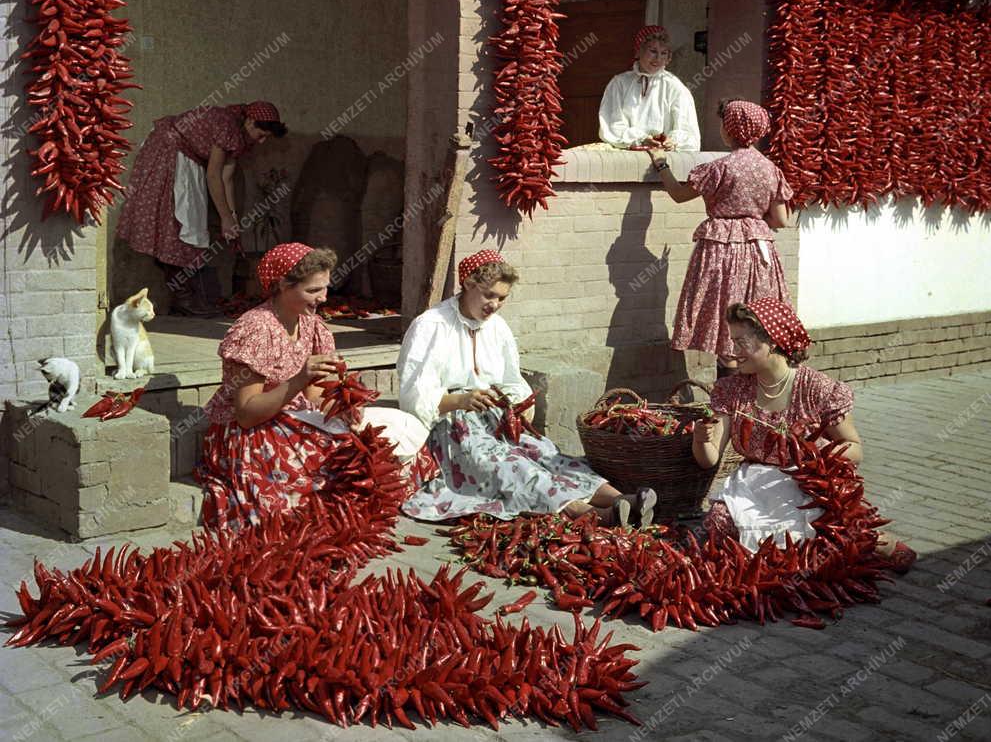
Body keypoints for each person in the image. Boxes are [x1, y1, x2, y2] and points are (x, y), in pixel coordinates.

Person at [398, 249, 657, 525]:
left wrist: (520, 404)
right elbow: (414, 395)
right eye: (489, 295)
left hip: (497, 418)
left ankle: (621, 499)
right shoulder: (431, 325)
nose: (495, 305)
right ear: (468, 284)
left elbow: (511, 380)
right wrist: (460, 400)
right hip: (454, 428)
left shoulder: (497, 328)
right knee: (513, 466)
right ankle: (593, 515)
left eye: (502, 298)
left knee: (546, 453)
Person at [195, 242, 427, 530]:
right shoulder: (254, 329)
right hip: (253, 431)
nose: (323, 297)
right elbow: (246, 414)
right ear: (282, 285)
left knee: (371, 444)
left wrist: (342, 409)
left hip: (294, 416)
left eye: (326, 287)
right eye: (313, 290)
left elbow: (315, 395)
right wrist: (299, 379)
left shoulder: (312, 325)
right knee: (316, 470)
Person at [692, 299, 916, 572]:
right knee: (718, 522)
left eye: (742, 343)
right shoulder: (732, 390)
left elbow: (854, 447)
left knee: (822, 538)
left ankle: (877, 541)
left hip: (807, 485)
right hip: (753, 485)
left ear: (771, 342)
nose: (733, 351)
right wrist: (702, 439)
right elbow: (709, 459)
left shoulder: (818, 389)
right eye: (733, 341)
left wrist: (814, 456)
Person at [648, 98, 792, 377]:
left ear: (729, 130)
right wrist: (752, 218)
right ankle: (750, 397)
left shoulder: (719, 168)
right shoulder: (770, 170)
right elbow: (781, 220)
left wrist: (661, 164)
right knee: (754, 318)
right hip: (759, 253)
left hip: (721, 250)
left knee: (723, 315)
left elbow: (678, 195)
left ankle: (727, 396)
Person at [115, 100, 287, 315]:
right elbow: (214, 175)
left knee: (187, 227)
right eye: (261, 135)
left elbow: (227, 177)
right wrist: (225, 217)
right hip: (169, 152)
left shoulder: (240, 133)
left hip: (186, 157)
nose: (261, 142)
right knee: (180, 226)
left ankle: (187, 299)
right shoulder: (226, 125)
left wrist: (232, 217)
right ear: (250, 121)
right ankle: (184, 300)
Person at [598, 24, 700, 151]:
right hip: (627, 156)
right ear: (638, 51)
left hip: (663, 158)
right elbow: (612, 124)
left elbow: (687, 128)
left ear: (668, 58)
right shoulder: (620, 83)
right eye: (653, 51)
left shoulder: (675, 86)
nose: (658, 58)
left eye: (663, 53)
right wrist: (641, 139)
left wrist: (673, 142)